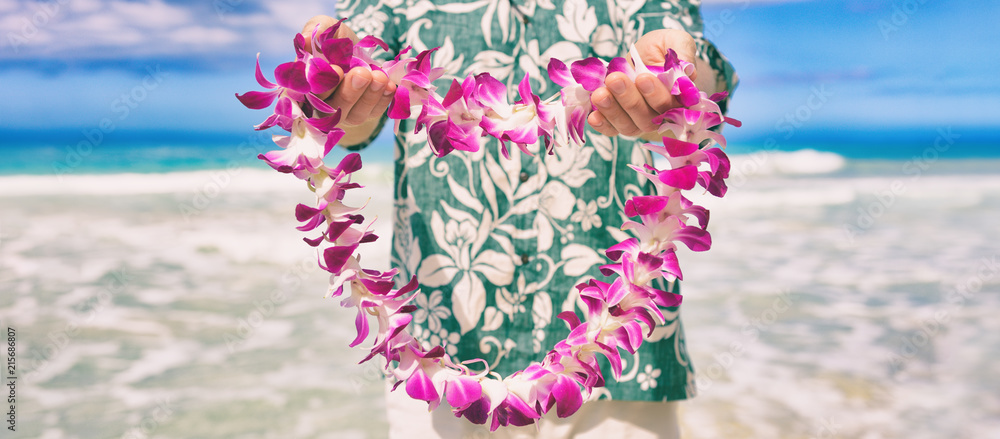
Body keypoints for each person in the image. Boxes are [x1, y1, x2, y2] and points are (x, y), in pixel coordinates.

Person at [303, 1, 737, 437]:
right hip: (436, 361)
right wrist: (333, 76)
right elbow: (355, 111)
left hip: (621, 363)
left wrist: (677, 74)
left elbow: (690, 54)